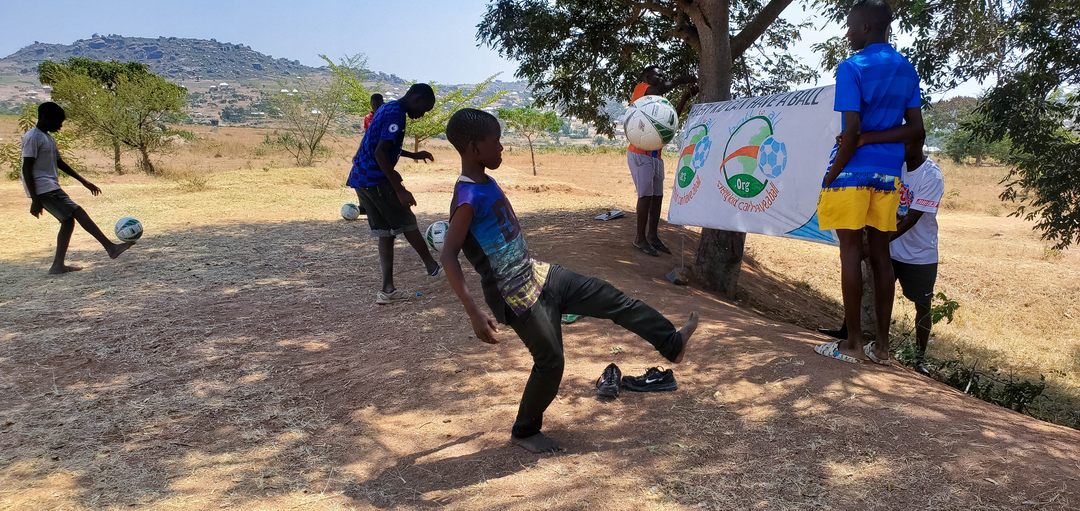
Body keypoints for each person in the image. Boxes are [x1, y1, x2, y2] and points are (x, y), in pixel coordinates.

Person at [440, 108, 700, 453]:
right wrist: (473, 312)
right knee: (551, 363)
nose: (502, 148)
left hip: (538, 274)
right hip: (515, 296)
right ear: (475, 148)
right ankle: (525, 431)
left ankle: (671, 343)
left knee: (612, 299)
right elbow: (448, 255)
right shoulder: (467, 199)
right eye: (496, 142)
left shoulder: (486, 183)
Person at [814, 0, 924, 364]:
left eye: (850, 26)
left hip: (851, 173)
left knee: (849, 252)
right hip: (888, 175)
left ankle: (853, 345)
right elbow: (916, 130)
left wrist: (832, 173)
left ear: (864, 27)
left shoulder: (852, 67)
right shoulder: (906, 69)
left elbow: (851, 131)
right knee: (880, 255)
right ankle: (884, 349)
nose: (847, 33)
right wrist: (871, 140)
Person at [819, 131, 944, 374]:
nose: (897, 150)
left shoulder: (931, 175)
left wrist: (876, 245)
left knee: (922, 304)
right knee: (867, 285)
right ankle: (851, 332)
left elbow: (911, 219)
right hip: (889, 247)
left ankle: (919, 358)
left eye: (902, 145)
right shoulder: (896, 165)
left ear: (917, 144)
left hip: (919, 253)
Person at [346, 84, 442, 304]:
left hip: (362, 179)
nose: (421, 115)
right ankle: (434, 269)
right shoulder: (396, 114)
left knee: (386, 232)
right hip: (376, 179)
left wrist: (413, 155)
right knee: (407, 221)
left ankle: (387, 290)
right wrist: (400, 190)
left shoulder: (387, 108)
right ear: (416, 98)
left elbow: (380, 144)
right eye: (424, 109)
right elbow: (381, 153)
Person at [22, 102, 131, 274]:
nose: (60, 125)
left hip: (48, 186)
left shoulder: (48, 138)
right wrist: (35, 199)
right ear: (45, 118)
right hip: (43, 187)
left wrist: (84, 182)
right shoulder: (32, 137)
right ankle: (110, 248)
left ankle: (58, 265)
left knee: (67, 221)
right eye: (58, 121)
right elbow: (26, 167)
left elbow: (60, 163)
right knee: (78, 211)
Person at [626, 65, 698, 256]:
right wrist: (681, 79)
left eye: (663, 75)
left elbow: (671, 120)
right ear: (646, 77)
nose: (662, 78)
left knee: (657, 197)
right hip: (640, 154)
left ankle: (653, 236)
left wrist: (685, 97)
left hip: (656, 155)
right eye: (657, 75)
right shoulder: (641, 89)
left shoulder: (657, 102)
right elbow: (661, 88)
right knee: (645, 197)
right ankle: (639, 239)